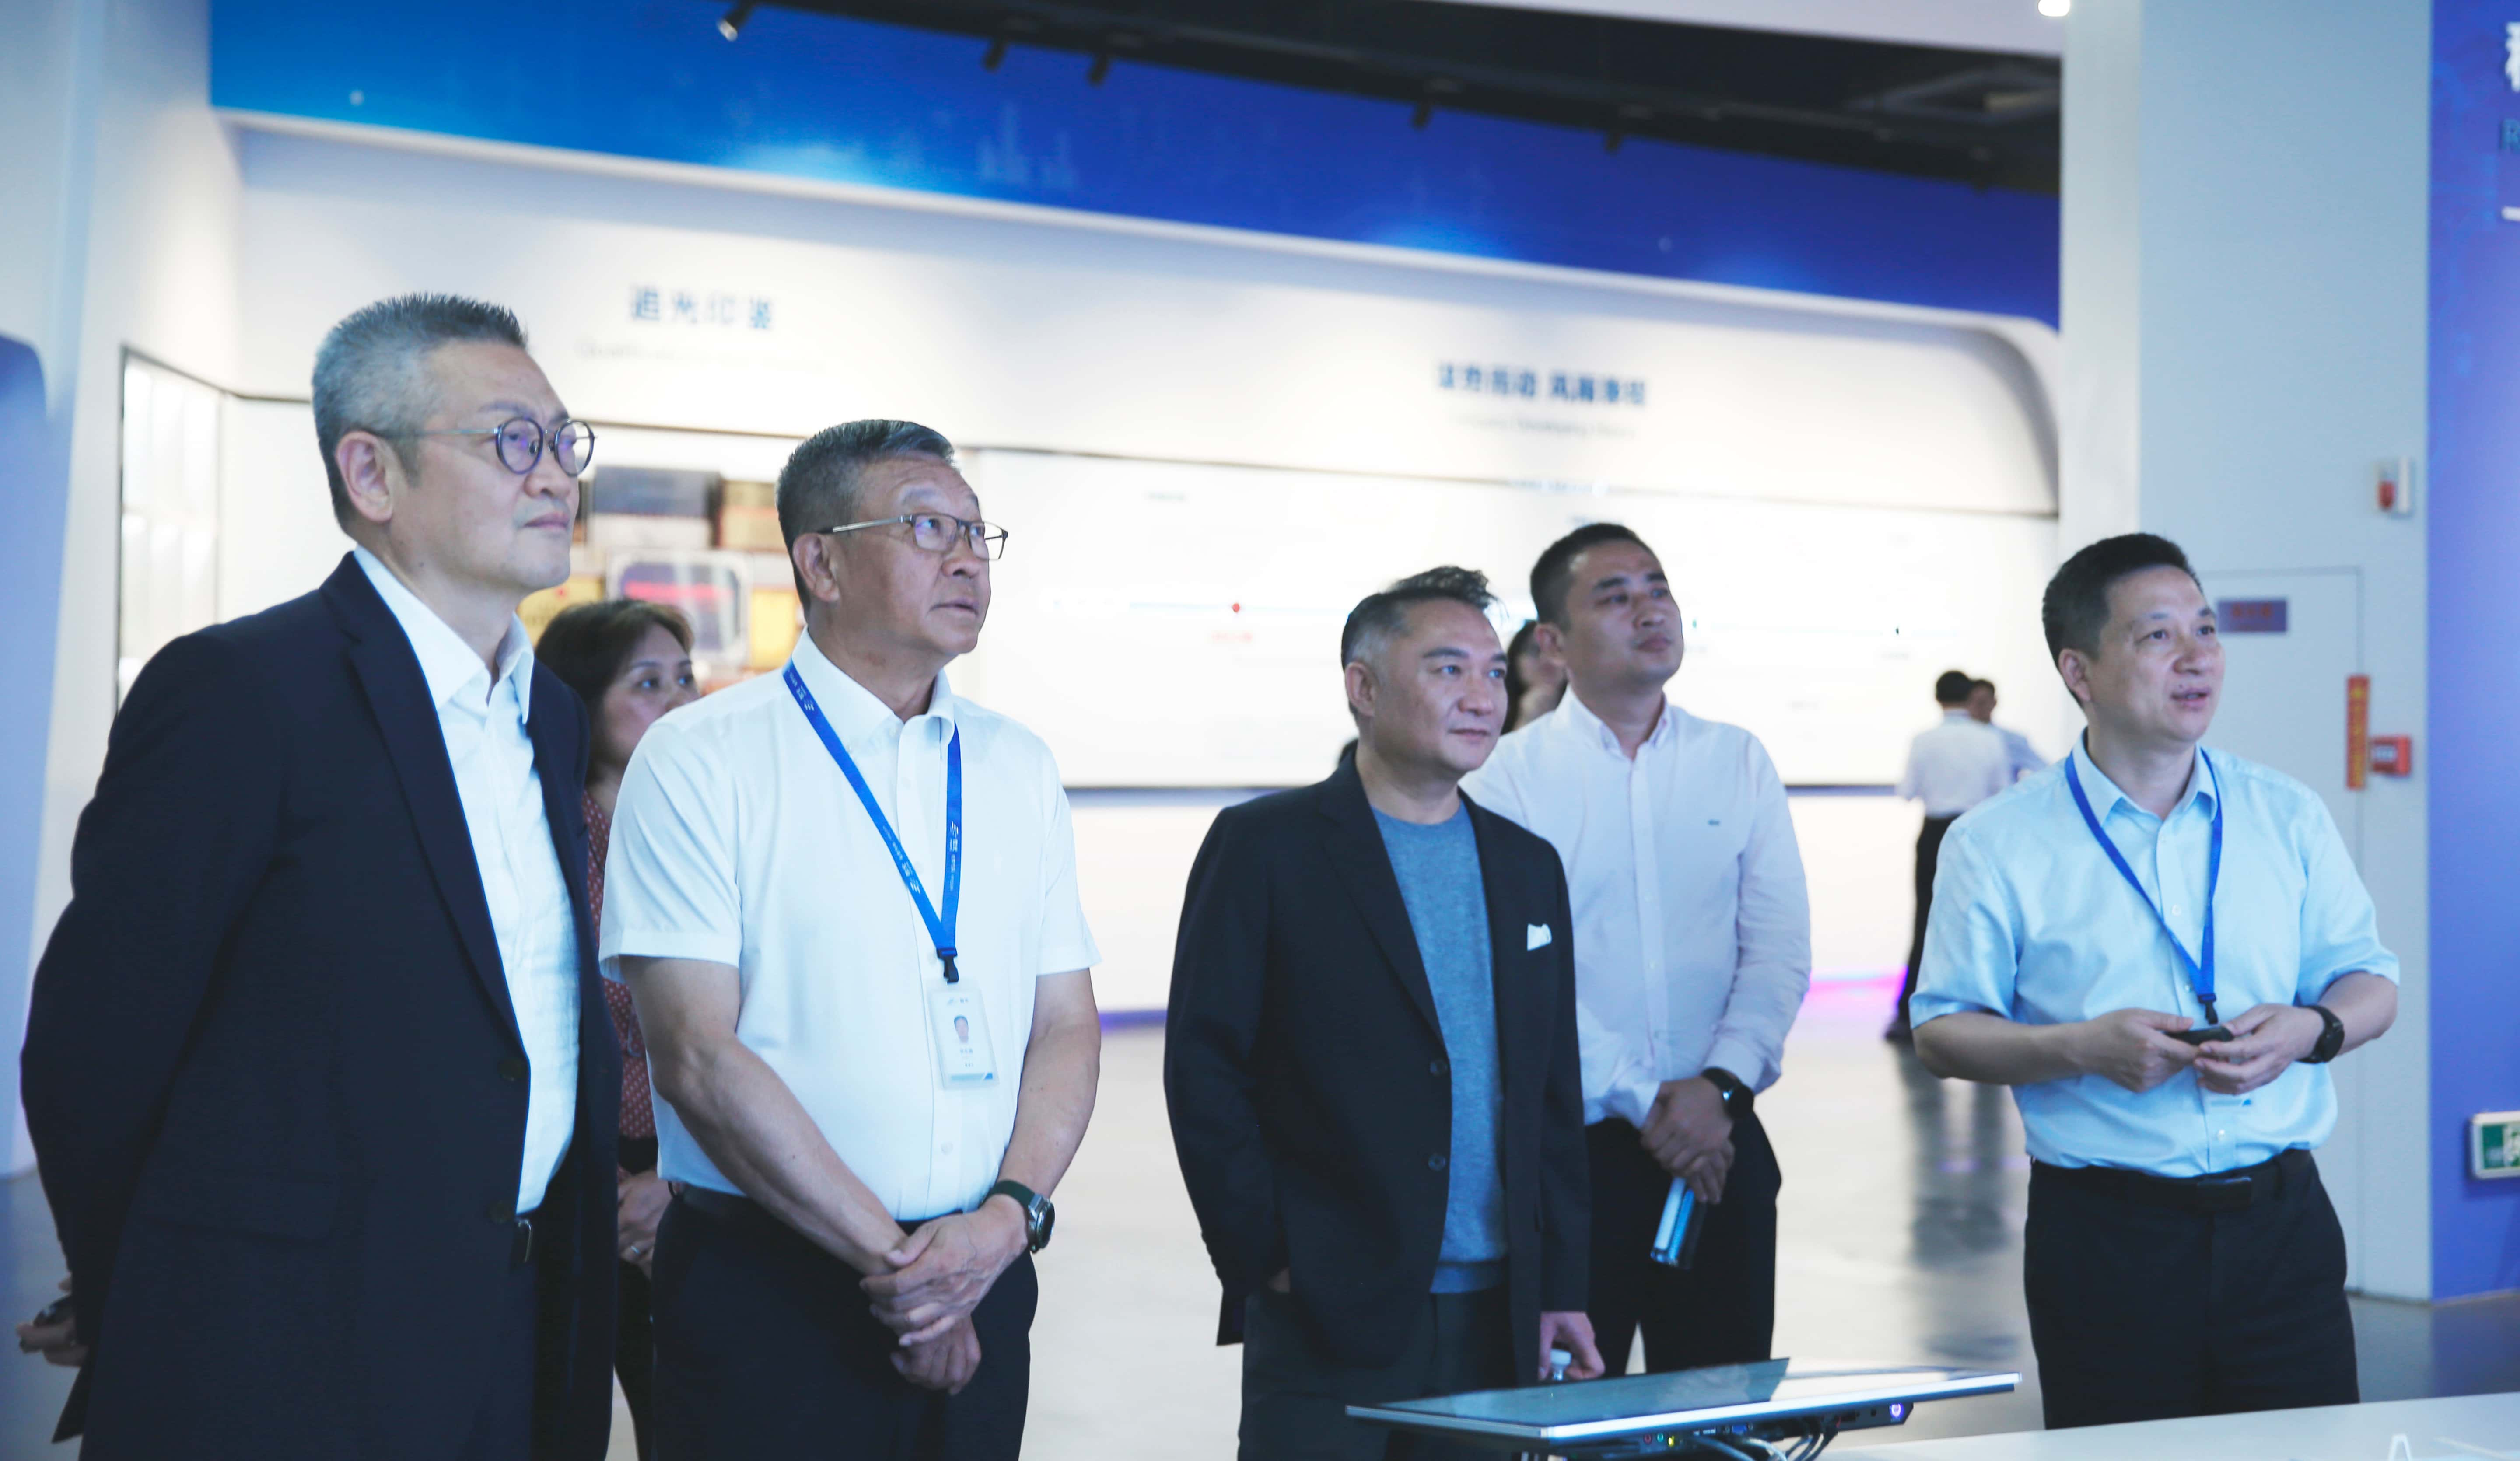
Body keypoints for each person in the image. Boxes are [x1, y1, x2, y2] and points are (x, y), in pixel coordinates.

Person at [21, 294, 620, 1460]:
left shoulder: (547, 710)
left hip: (517, 1323)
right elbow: (97, 1044)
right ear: (371, 471)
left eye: (564, 439)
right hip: (285, 1343)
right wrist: (140, 1284)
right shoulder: (244, 690)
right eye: (512, 440)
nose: (556, 473)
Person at [604, 419, 1102, 1459]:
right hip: (772, 1288)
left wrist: (1005, 1222)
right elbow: (696, 1054)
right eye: (925, 527)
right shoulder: (701, 759)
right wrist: (904, 1271)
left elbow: (1064, 1021)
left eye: (975, 531)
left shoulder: (1015, 764)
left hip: (985, 1267)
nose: (966, 557)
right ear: (820, 563)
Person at [1911, 533, 2398, 1430]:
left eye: (2206, 629)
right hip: (2108, 1240)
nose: (2197, 657)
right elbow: (1942, 1030)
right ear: (2080, 671)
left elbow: (2371, 981)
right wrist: (2078, 1048)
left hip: (2282, 1230)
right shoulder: (1998, 841)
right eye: (2157, 636)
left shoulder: (2285, 813)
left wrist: (2309, 1030)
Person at [1168, 566, 1603, 1459]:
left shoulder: (1527, 866)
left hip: (1500, 1313)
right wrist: (1269, 1255)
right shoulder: (1266, 847)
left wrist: (1560, 1283)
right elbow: (1205, 1069)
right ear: (1363, 688)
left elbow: (1551, 1090)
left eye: (1494, 671)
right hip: (1331, 1302)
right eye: (1448, 669)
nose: (1482, 695)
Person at [1463, 522, 1810, 1378]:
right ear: (1553, 643)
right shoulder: (1506, 778)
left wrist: (1721, 1085)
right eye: (1615, 597)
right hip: (1576, 1155)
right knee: (1573, 1406)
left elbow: (1777, 946)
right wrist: (1649, 1098)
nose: (1650, 610)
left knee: (1723, 1399)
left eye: (1658, 588)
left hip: (1721, 1140)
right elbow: (1519, 973)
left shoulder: (1736, 759)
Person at [536, 598, 704, 1461]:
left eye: (685, 678)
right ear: (579, 702)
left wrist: (676, 1183)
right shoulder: (535, 839)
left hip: (697, 1166)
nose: (678, 701)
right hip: (563, 1176)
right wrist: (595, 1189)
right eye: (646, 683)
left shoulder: (714, 832)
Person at [1887, 670, 2013, 1042]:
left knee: (1926, 918)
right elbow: (2003, 791)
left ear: (1937, 699)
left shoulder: (1923, 740)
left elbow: (1907, 791)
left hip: (1935, 833)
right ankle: (1985, 1006)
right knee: (1982, 919)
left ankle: (1909, 1010)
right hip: (1977, 835)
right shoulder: (1990, 739)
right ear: (1969, 697)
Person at [1967, 678, 2047, 782]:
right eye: (1973, 702)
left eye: (1983, 702)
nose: (1978, 707)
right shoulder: (1959, 739)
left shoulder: (2011, 740)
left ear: (1994, 703)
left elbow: (2042, 769)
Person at [1502, 619, 1566, 733]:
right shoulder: (1492, 711)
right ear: (1516, 659)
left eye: (1554, 650)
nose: (1546, 659)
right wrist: (1527, 719)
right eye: (1534, 650)